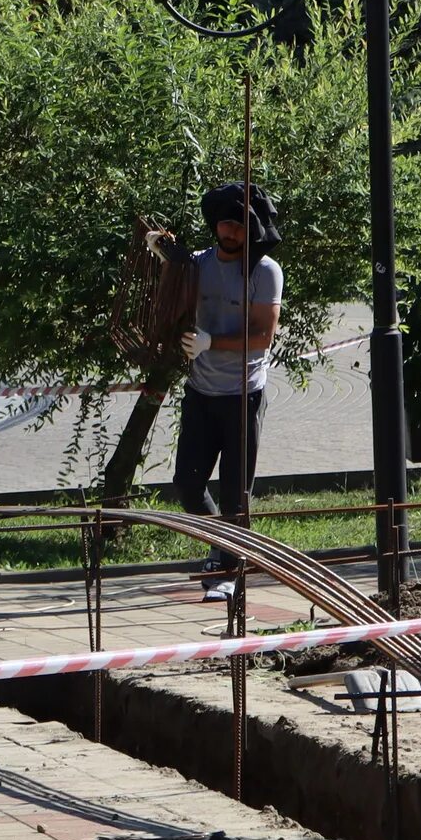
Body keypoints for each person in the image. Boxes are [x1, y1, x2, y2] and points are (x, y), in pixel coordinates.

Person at [172, 183, 281, 588]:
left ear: (251, 230)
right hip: (200, 392)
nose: (230, 233)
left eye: (238, 227)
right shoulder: (199, 264)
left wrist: (211, 343)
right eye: (225, 225)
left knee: (237, 494)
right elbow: (173, 273)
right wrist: (160, 249)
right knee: (186, 484)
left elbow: (262, 335)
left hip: (243, 396)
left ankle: (228, 571)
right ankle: (224, 543)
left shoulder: (264, 271)